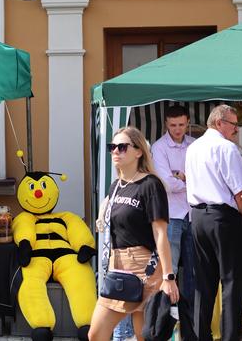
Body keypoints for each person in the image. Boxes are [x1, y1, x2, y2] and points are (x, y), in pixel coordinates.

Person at [89, 126, 179, 341]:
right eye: (113, 147)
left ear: (139, 151)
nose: (115, 152)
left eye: (122, 147)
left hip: (145, 265)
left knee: (145, 336)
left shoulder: (151, 185)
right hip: (118, 266)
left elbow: (160, 234)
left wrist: (168, 276)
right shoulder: (116, 186)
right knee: (96, 334)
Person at [185, 104, 242, 341]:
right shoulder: (226, 148)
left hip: (198, 217)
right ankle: (229, 336)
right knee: (232, 280)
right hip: (223, 218)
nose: (236, 130)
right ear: (219, 123)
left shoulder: (193, 148)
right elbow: (240, 194)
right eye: (233, 124)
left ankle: (201, 336)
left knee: (204, 282)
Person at [151, 105, 196, 310]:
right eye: (172, 125)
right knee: (169, 271)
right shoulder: (159, 147)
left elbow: (202, 177)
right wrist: (190, 180)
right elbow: (166, 183)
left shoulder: (195, 144)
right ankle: (166, 322)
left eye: (180, 124)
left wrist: (181, 177)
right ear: (166, 124)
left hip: (194, 214)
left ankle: (191, 323)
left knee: (194, 272)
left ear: (188, 122)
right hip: (172, 215)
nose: (177, 129)